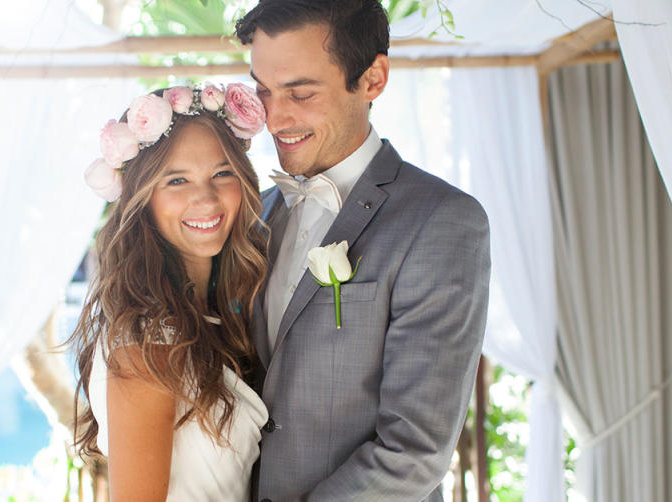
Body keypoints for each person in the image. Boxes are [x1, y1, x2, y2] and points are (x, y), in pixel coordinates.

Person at [235, 1, 491, 500]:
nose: (275, 116)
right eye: (262, 90)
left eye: (301, 92)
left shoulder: (442, 221)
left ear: (373, 78)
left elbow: (413, 450)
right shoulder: (252, 215)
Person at [68, 84, 270, 501]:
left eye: (222, 173)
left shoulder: (220, 314)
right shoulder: (148, 341)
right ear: (143, 199)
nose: (206, 197)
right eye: (177, 179)